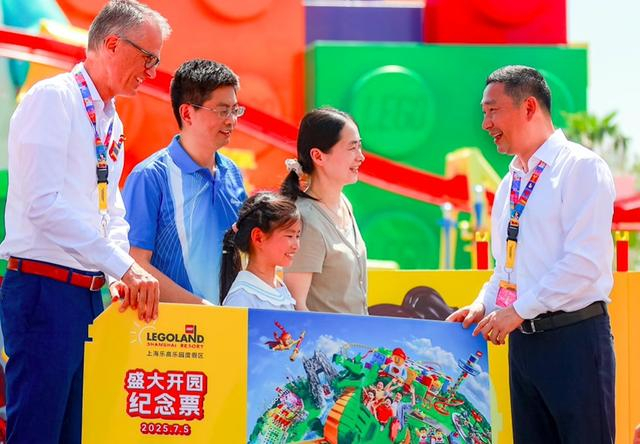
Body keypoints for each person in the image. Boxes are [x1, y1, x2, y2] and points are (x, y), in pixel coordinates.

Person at [0, 1, 169, 442]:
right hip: (44, 288)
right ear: (112, 43)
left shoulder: (110, 119)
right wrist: (123, 266)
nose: (151, 71)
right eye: (147, 58)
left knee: (75, 431)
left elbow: (111, 209)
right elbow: (43, 205)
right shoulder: (52, 99)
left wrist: (118, 273)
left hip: (86, 295)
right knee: (37, 431)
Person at [447, 65, 616, 443]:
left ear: (528, 107)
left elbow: (584, 262)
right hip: (523, 344)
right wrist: (483, 305)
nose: (485, 124)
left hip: (574, 341)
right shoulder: (511, 182)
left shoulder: (581, 168)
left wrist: (518, 310)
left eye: (493, 111)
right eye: (484, 113)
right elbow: (505, 269)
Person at [123, 59, 247, 305]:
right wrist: (202, 310)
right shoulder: (150, 176)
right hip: (171, 326)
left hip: (229, 322)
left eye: (235, 110)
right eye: (222, 110)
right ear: (187, 113)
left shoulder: (232, 172)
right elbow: (134, 264)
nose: (231, 120)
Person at [281, 107, 367, 314]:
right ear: (318, 156)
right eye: (352, 148)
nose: (361, 157)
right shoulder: (305, 220)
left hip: (358, 334)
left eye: (359, 146)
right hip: (327, 336)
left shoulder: (344, 203)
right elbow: (296, 305)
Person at [220, 192, 300, 310]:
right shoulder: (241, 298)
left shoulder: (279, 286)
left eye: (297, 236)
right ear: (258, 237)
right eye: (289, 236)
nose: (296, 245)